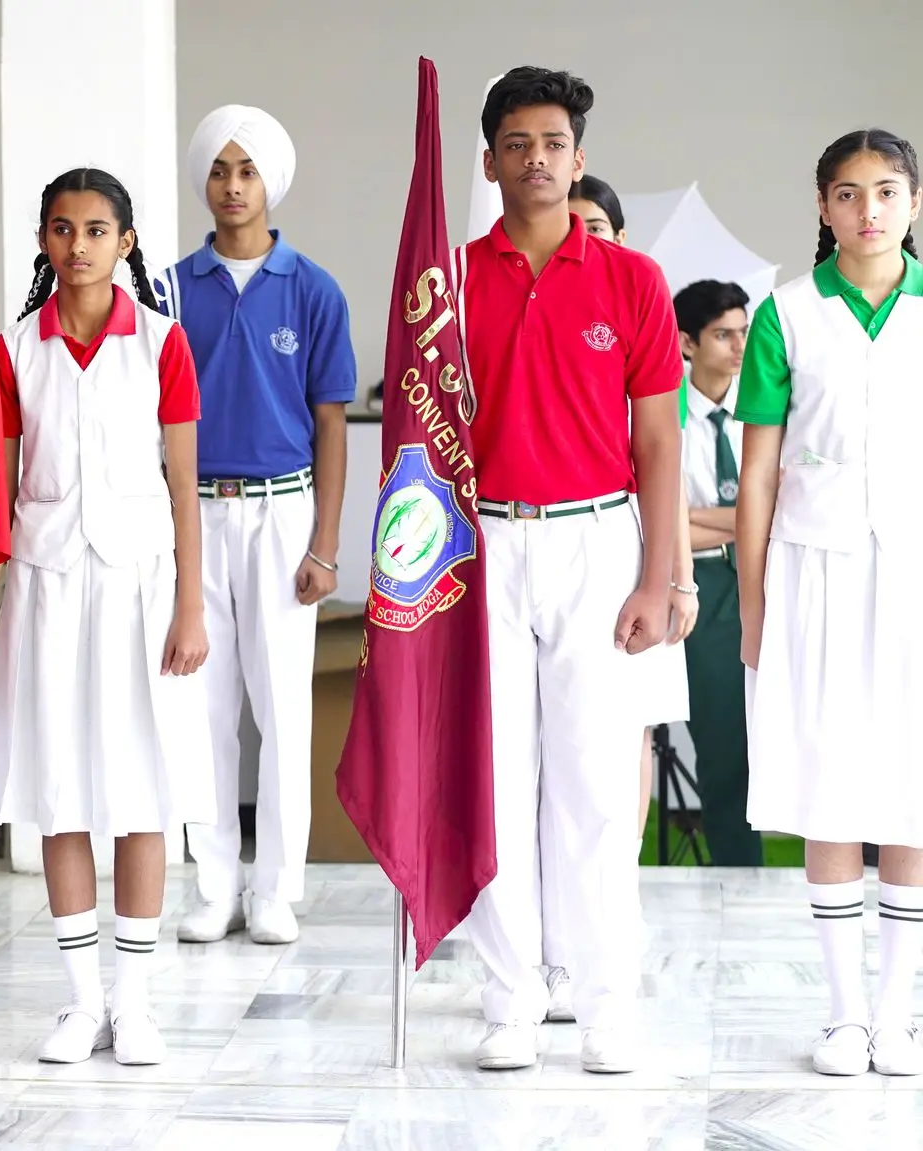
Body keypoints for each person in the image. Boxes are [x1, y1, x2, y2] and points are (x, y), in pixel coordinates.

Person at [0, 168, 212, 1067]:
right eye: (62, 229)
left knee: (141, 790)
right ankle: (81, 1000)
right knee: (58, 790)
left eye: (97, 230)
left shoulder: (163, 344)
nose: (79, 245)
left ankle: (133, 1002)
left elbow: (185, 485)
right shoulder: (14, 349)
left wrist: (190, 606)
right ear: (43, 241)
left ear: (126, 243)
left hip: (140, 587)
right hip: (47, 586)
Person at [458, 68, 683, 1075]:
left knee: (593, 783)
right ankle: (511, 998)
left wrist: (659, 577)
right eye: (517, 142)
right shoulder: (450, 281)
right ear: (491, 160)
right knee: (497, 782)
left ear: (578, 158)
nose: (536, 158)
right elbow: (422, 438)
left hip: (597, 540)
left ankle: (605, 1005)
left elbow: (660, 441)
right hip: (484, 545)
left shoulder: (632, 280)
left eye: (553, 142)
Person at [736, 128, 923, 1078]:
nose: (869, 210)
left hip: (916, 574)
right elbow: (759, 476)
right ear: (823, 206)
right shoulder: (786, 314)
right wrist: (755, 601)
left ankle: (897, 1015)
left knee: (912, 787)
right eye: (848, 194)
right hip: (814, 571)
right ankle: (846, 1015)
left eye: (887, 191)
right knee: (829, 782)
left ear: (915, 201)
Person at [151, 106, 355, 947]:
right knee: (199, 708)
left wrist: (325, 545)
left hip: (283, 509)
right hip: (192, 511)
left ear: (271, 181)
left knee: (281, 709)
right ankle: (214, 885)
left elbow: (332, 422)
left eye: (247, 170)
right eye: (219, 169)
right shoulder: (167, 290)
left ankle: (275, 888)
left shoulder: (314, 289)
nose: (232, 186)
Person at [532, 173, 696, 1028]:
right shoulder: (528, 300)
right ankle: (549, 951)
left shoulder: (635, 298)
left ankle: (604, 940)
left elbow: (661, 457)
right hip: (545, 554)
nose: (581, 234)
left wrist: (673, 577)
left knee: (610, 761)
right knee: (542, 768)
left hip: (624, 556)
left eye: (596, 224)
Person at [673, 279, 762, 868]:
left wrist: (694, 518)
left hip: (763, 578)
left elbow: (777, 509)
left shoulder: (764, 408)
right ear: (687, 342)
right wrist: (745, 518)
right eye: (723, 334)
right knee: (722, 736)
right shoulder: (665, 412)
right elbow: (658, 520)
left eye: (743, 332)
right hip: (700, 582)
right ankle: (737, 869)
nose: (738, 347)